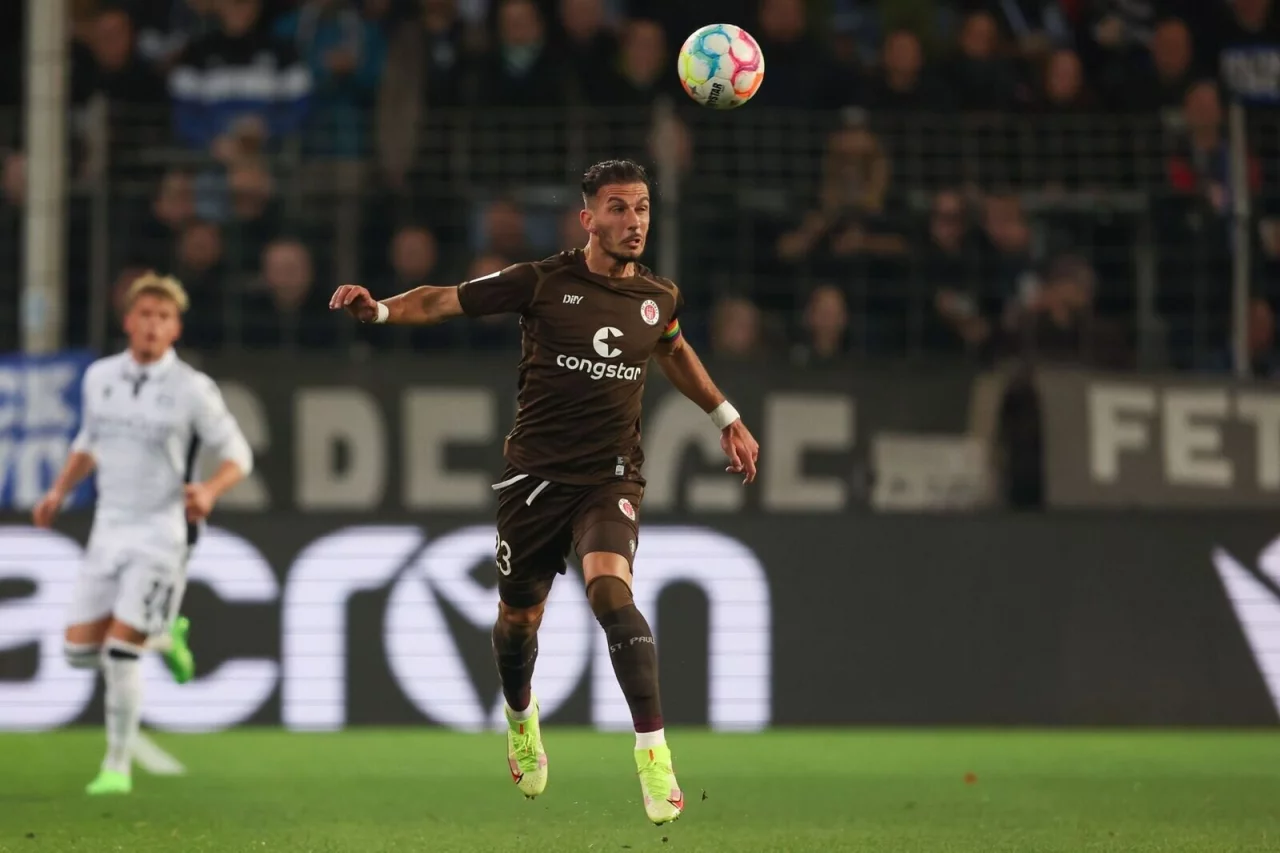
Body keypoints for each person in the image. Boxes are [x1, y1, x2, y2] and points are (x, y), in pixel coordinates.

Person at [330, 159, 759, 826]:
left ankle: (653, 754)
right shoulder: (542, 282)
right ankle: (521, 716)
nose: (635, 221)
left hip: (611, 476)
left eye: (643, 207)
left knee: (611, 592)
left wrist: (724, 416)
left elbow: (671, 349)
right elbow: (444, 299)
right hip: (533, 480)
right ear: (588, 219)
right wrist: (381, 309)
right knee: (517, 623)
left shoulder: (658, 297)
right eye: (618, 208)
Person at [32, 273, 253, 796]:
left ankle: (116, 768)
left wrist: (209, 491)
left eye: (164, 317)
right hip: (108, 528)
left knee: (119, 654)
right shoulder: (100, 377)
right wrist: (59, 490)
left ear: (175, 328)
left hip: (162, 533)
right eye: (146, 315)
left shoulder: (192, 389)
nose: (153, 325)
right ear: (129, 321)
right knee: (77, 653)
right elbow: (90, 439)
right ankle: (163, 633)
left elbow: (238, 454)